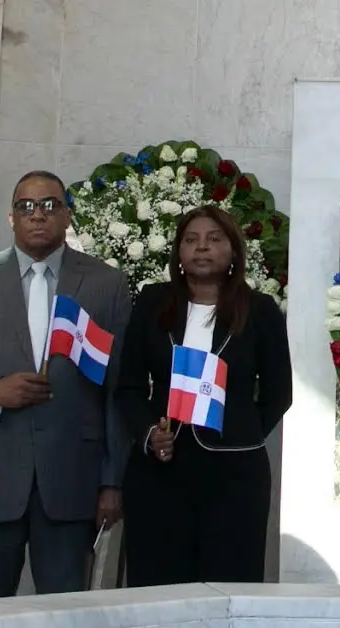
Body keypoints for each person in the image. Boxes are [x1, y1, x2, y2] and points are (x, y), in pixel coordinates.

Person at [0, 170, 129, 599]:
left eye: (50, 205)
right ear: (11, 218)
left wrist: (112, 481)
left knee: (67, 613)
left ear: (67, 215)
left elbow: (118, 389)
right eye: (27, 206)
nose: (38, 215)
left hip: (73, 481)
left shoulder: (106, 284)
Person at [115, 206, 292, 586]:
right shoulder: (152, 302)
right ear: (178, 252)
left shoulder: (260, 311)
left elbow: (279, 393)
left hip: (235, 478)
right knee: (158, 589)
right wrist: (149, 433)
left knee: (228, 585)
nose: (201, 248)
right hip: (160, 474)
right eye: (191, 240)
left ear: (233, 251)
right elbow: (128, 385)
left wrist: (242, 432)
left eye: (213, 239)